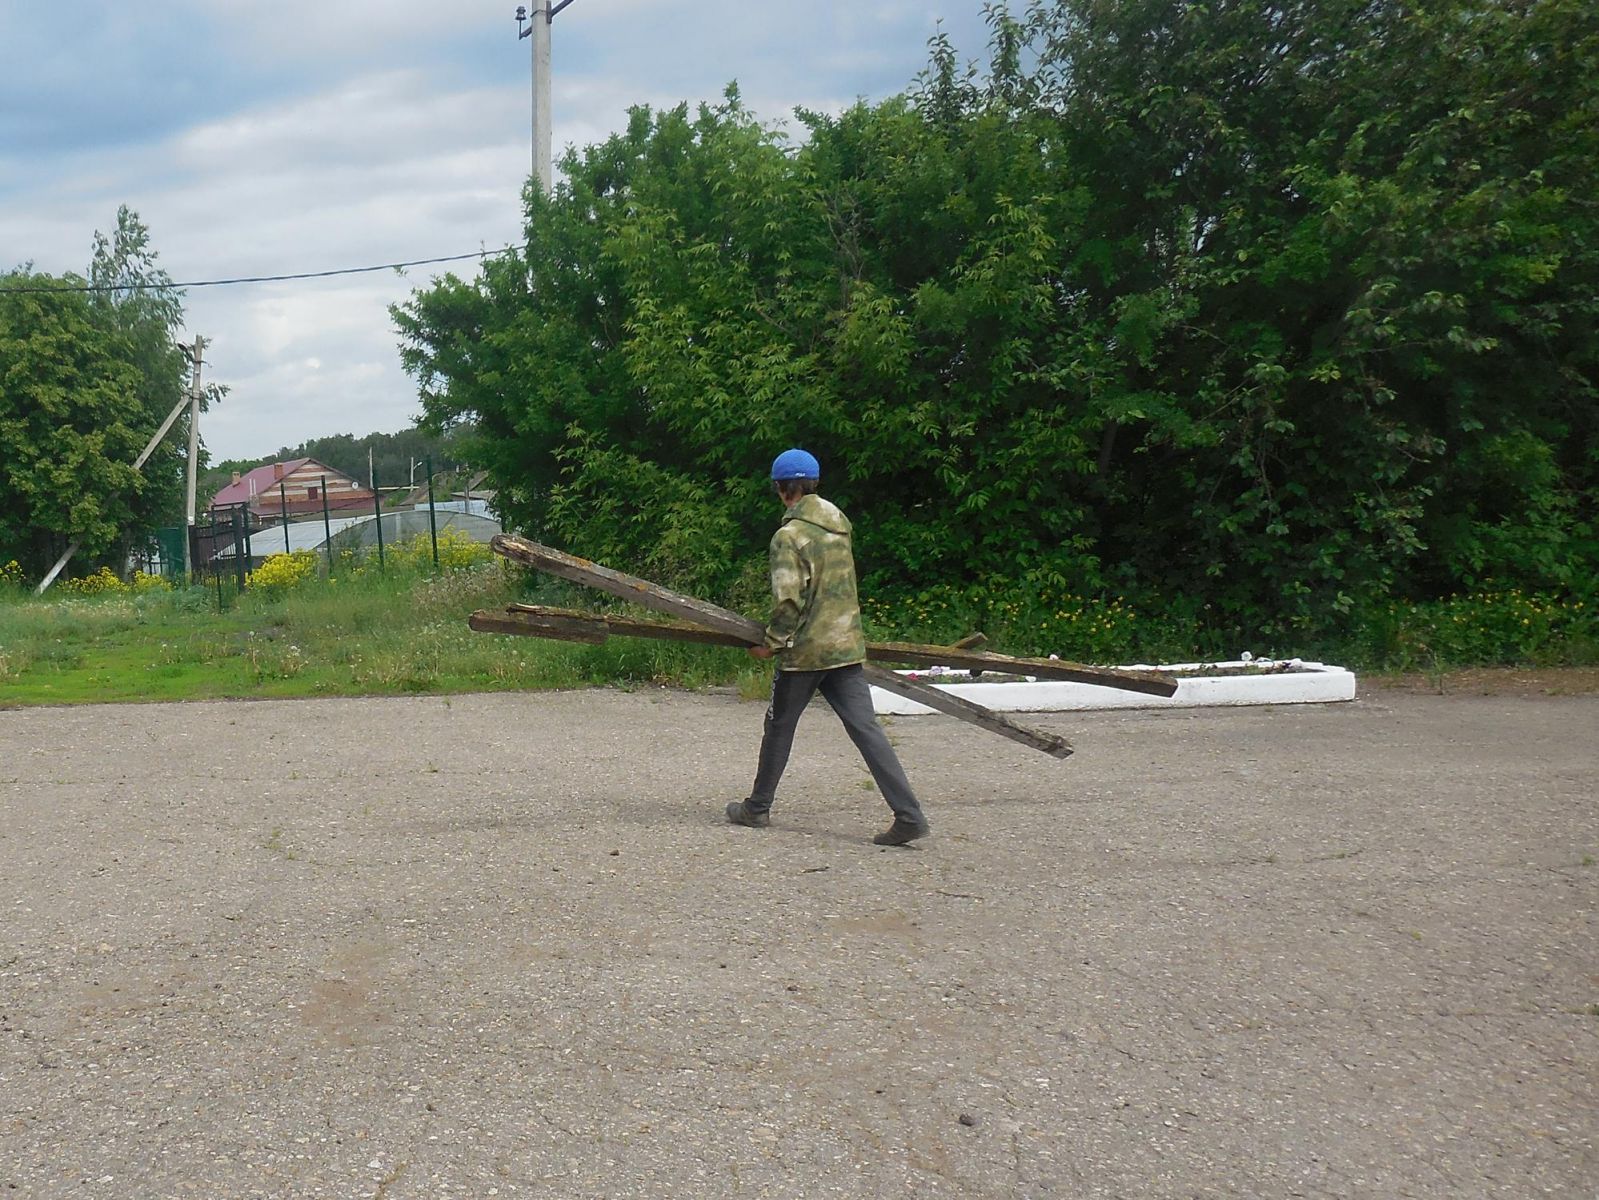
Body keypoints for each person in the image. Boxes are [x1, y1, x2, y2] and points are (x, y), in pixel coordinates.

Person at [725, 449, 931, 846]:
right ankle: (909, 815)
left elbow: (789, 601)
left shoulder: (789, 537)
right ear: (814, 483)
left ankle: (757, 808)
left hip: (806, 653)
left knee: (779, 726)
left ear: (782, 488)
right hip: (846, 645)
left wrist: (771, 644)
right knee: (867, 730)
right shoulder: (839, 524)